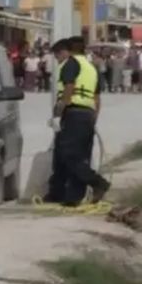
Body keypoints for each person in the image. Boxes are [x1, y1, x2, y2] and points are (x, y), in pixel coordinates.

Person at [46, 37, 111, 206]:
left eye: (58, 55)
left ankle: (98, 183)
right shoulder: (92, 68)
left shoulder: (71, 64)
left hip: (72, 112)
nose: (58, 59)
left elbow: (69, 88)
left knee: (70, 155)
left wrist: (58, 114)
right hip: (87, 114)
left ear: (67, 51)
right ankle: (68, 196)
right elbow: (97, 97)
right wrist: (93, 118)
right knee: (68, 154)